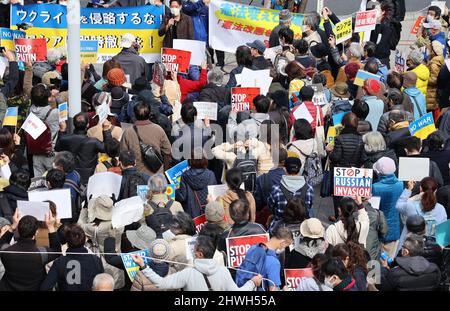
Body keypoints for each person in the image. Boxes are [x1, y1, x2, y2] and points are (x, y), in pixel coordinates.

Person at [131, 236, 262, 291]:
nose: (192, 250)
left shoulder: (188, 274)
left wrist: (143, 265)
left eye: (194, 249)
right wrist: (252, 283)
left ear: (200, 254)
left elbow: (160, 283)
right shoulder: (223, 271)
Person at [0, 210, 61, 291]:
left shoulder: (7, 251)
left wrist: (13, 226)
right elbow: (57, 251)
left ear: (18, 230)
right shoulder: (41, 254)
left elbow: (2, 242)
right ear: (36, 232)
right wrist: (51, 227)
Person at [40, 224, 104, 291]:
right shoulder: (96, 260)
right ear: (84, 240)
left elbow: (45, 288)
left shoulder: (60, 262)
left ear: (67, 242)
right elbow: (102, 284)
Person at [55, 113, 114, 184]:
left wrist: (62, 131)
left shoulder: (65, 139)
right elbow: (109, 149)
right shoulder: (93, 142)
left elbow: (57, 148)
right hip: (88, 177)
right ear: (87, 125)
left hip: (70, 176)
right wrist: (106, 130)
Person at [328, 113, 365, 221]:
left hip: (340, 170)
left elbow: (336, 157)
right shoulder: (361, 139)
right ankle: (352, 214)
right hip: (355, 171)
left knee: (338, 195)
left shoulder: (340, 138)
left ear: (344, 124)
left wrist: (330, 152)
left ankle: (339, 216)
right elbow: (363, 157)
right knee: (354, 194)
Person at [120, 101, 172, 176]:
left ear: (134, 115)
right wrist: (165, 171)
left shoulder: (128, 132)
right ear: (149, 113)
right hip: (156, 176)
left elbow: (123, 154)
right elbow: (168, 152)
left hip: (137, 177)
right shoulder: (158, 129)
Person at [396, 178, 447, 252]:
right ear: (435, 190)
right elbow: (443, 233)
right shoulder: (441, 209)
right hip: (432, 250)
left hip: (410, 249)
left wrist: (409, 189)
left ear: (420, 188)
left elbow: (398, 205)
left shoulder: (411, 206)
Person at [239, 226, 293, 291]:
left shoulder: (253, 248)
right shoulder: (274, 262)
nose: (285, 248)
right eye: (286, 246)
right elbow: (273, 289)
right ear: (283, 243)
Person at [372, 157, 404, 258]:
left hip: (378, 229)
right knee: (390, 259)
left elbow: (373, 208)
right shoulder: (401, 184)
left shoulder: (375, 187)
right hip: (395, 229)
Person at [267, 157, 314, 227]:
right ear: (300, 169)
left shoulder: (276, 189)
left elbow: (270, 207)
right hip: (302, 227)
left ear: (284, 169)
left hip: (280, 228)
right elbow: (309, 208)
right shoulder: (309, 189)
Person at [28, 84, 60, 177]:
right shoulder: (54, 113)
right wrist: (56, 98)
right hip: (50, 151)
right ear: (48, 98)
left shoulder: (31, 110)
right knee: (53, 179)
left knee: (39, 181)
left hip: (35, 151)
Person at [176, 151, 217, 218]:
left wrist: (176, 191)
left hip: (192, 214)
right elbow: (214, 195)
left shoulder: (185, 176)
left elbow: (182, 197)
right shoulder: (211, 174)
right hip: (208, 211)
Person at [254, 148, 287, 221]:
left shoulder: (262, 178)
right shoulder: (291, 178)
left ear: (272, 159)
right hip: (289, 215)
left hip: (268, 216)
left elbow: (258, 202)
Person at [369, 0, 395, 67]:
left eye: (376, 10)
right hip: (374, 57)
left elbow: (381, 45)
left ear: (383, 12)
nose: (373, 12)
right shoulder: (376, 23)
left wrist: (369, 49)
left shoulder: (386, 25)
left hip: (381, 60)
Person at [426, 41, 445, 116]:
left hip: (431, 93)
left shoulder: (434, 64)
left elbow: (434, 80)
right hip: (433, 94)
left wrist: (425, 79)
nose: (429, 50)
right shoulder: (438, 60)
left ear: (434, 51)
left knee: (431, 115)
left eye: (430, 49)